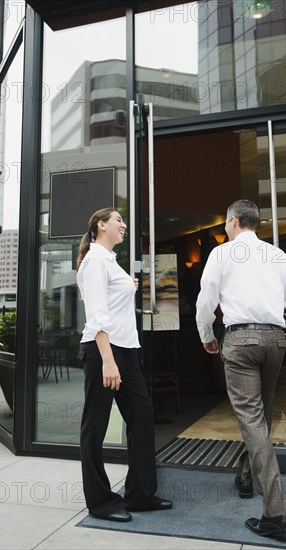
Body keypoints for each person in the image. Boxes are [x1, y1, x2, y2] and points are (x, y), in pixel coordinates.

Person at [196, 200, 286, 538]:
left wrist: (205, 335)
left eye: (225, 223)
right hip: (275, 341)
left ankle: (276, 511)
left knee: (250, 418)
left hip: (241, 340)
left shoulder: (222, 254)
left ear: (233, 221)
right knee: (263, 415)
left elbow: (206, 300)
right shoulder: (277, 255)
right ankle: (246, 476)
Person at [76, 207, 172, 523]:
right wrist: (108, 361)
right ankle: (101, 502)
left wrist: (126, 283)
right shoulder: (93, 261)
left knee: (142, 415)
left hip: (126, 352)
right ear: (101, 225)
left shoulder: (109, 261)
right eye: (119, 220)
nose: (124, 225)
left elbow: (111, 299)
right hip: (104, 352)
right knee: (95, 427)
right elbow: (97, 315)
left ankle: (140, 495)